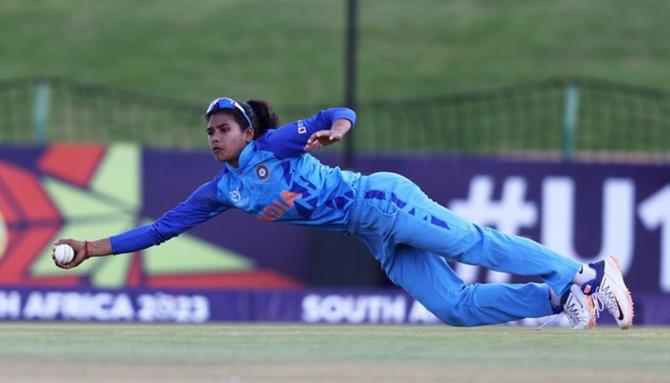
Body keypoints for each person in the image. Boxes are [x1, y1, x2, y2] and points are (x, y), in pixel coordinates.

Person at [53, 97, 634, 329]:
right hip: (372, 234)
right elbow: (158, 231)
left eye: (224, 127)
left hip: (381, 199)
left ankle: (586, 274)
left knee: (470, 244)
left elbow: (340, 108)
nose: (215, 137)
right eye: (209, 131)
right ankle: (558, 298)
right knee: (453, 308)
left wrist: (335, 129)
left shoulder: (274, 145)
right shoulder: (219, 192)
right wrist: (90, 248)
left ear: (247, 130)